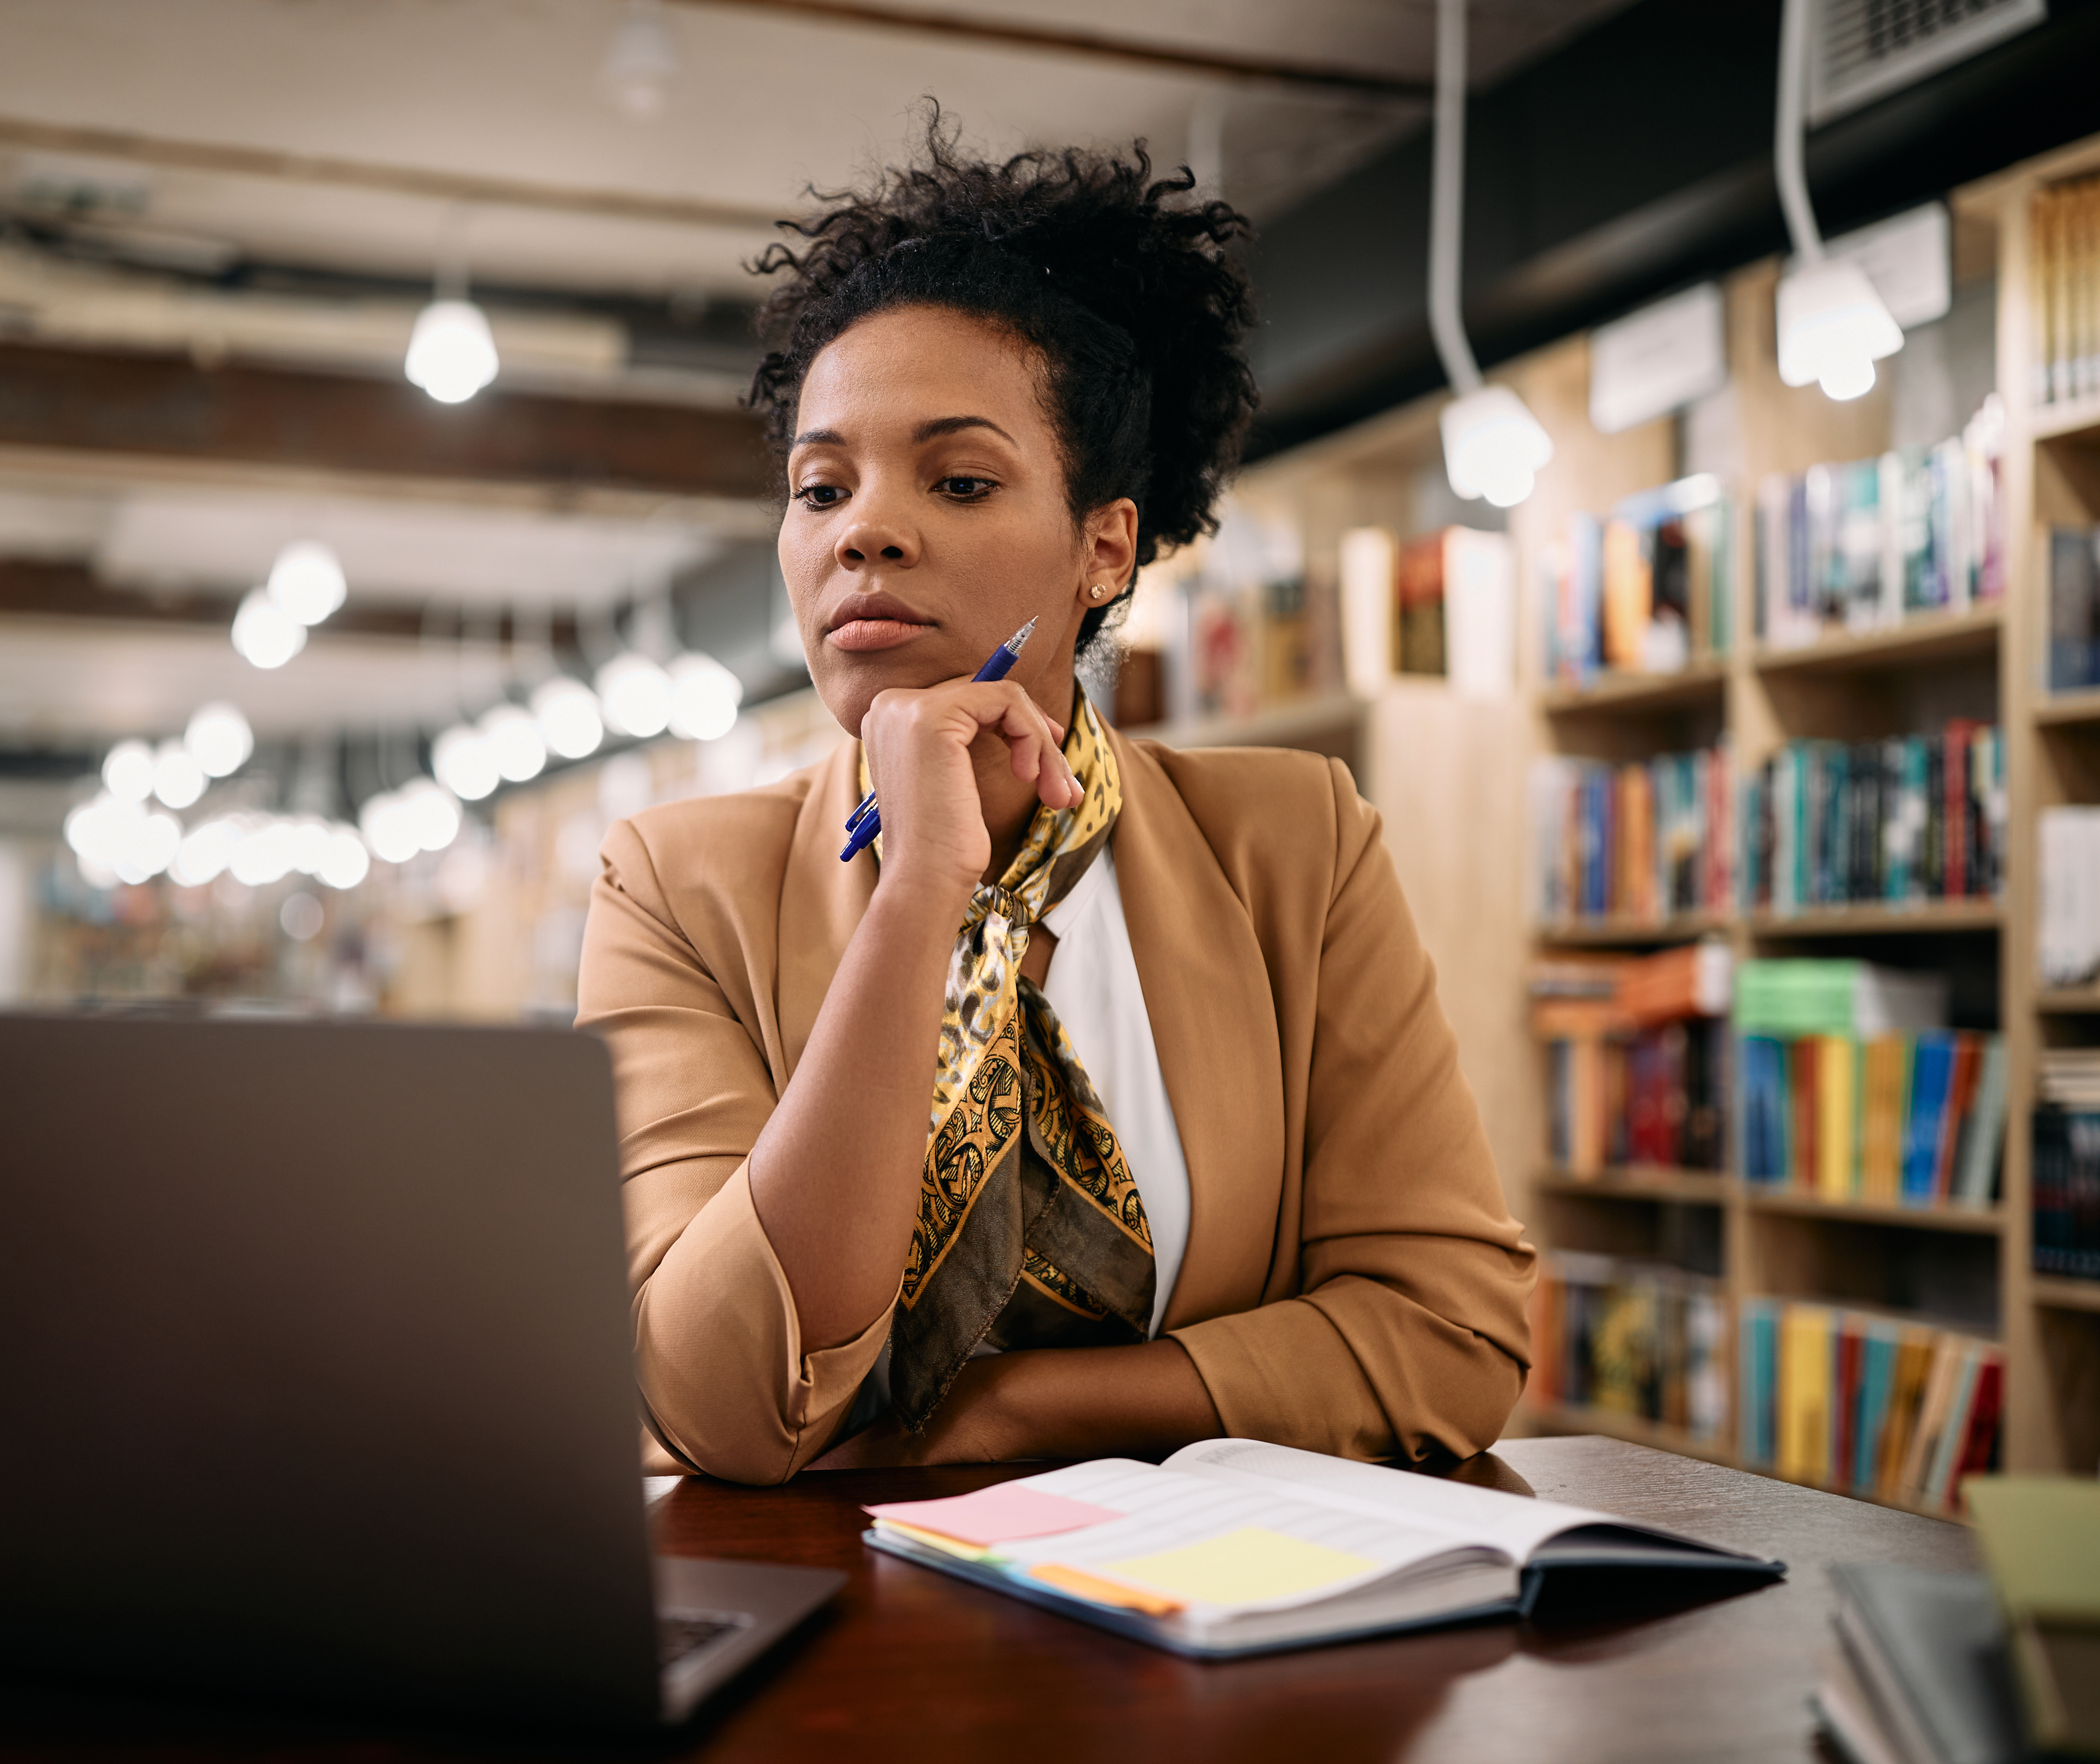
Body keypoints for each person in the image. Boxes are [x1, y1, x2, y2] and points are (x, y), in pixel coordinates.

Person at [576, 125, 1535, 1486]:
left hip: (1220, 1638)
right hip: (830, 1652)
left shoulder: (1295, 845)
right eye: (819, 486)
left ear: (1105, 546)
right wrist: (917, 901)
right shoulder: (677, 883)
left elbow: (1451, 1331)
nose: (864, 530)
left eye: (958, 480)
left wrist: (1013, 1416)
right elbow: (724, 1402)